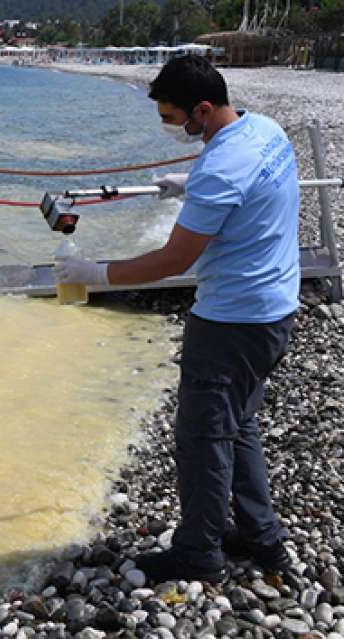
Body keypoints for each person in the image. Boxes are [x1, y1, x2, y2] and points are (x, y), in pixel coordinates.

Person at [54, 54, 299, 583]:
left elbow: (173, 261)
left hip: (233, 320)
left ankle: (198, 553)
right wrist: (187, 185)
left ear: (203, 109)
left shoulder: (220, 166)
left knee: (203, 435)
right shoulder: (265, 130)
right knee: (239, 426)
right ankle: (261, 537)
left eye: (173, 118)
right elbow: (245, 188)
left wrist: (93, 272)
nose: (170, 127)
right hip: (276, 307)